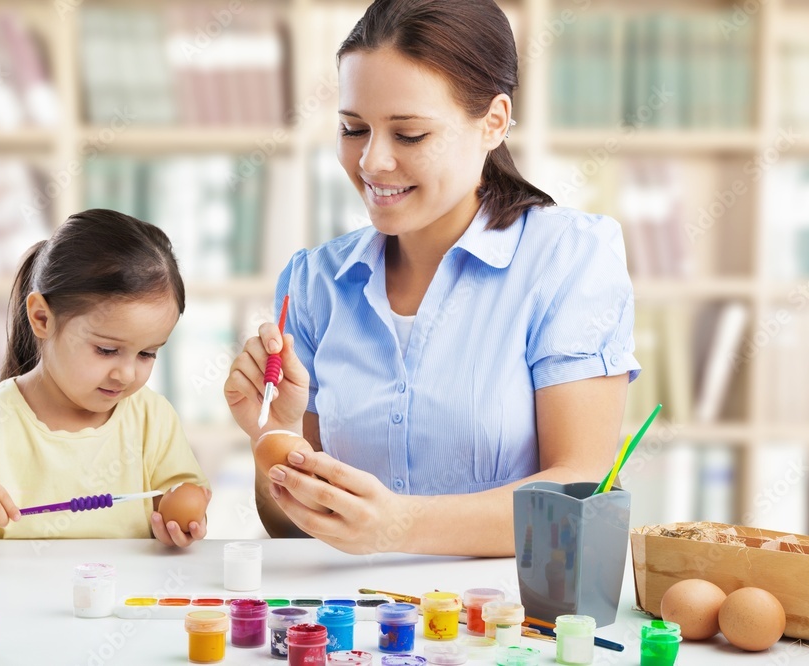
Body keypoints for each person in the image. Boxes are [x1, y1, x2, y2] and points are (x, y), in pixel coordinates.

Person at [224, 0, 639, 557]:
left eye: (410, 135)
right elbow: (295, 531)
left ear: (493, 121)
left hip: (503, 627)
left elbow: (580, 494)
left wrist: (399, 524)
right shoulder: (316, 283)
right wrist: (274, 436)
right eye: (353, 129)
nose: (372, 162)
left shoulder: (568, 260)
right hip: (353, 626)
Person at [0, 210, 210, 545]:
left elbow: (180, 503)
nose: (126, 373)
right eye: (107, 350)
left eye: (147, 354)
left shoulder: (152, 419)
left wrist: (180, 523)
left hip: (120, 598)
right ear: (41, 318)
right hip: (8, 596)